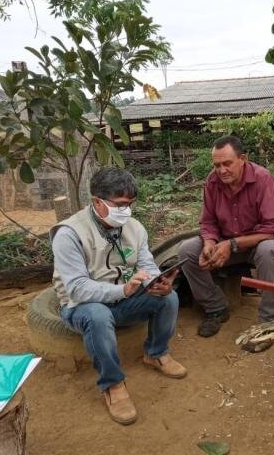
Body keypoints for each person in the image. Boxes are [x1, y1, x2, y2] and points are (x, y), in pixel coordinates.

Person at [50, 167, 187, 426]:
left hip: (123, 299)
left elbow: (146, 264)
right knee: (98, 315)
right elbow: (77, 288)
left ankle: (156, 353)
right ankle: (113, 385)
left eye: (130, 205)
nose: (126, 211)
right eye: (120, 205)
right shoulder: (69, 234)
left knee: (168, 297)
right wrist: (122, 290)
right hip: (81, 306)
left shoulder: (134, 228)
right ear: (97, 202)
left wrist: (158, 282)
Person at [178, 135, 274, 348]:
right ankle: (216, 307)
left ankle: (269, 323)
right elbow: (208, 222)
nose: (222, 170)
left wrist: (232, 244)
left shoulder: (263, 179)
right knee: (187, 250)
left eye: (227, 163)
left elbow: (273, 230)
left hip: (257, 244)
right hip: (225, 243)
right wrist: (209, 243)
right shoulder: (212, 181)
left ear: (243, 159)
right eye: (217, 165)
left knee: (270, 250)